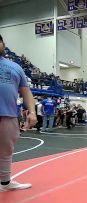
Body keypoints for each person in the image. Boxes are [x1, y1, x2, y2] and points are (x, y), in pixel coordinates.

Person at [0, 34, 37, 191]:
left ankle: (5, 183)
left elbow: (26, 92)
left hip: (8, 115)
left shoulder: (16, 67)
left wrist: (32, 112)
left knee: (6, 149)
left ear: (3, 43)